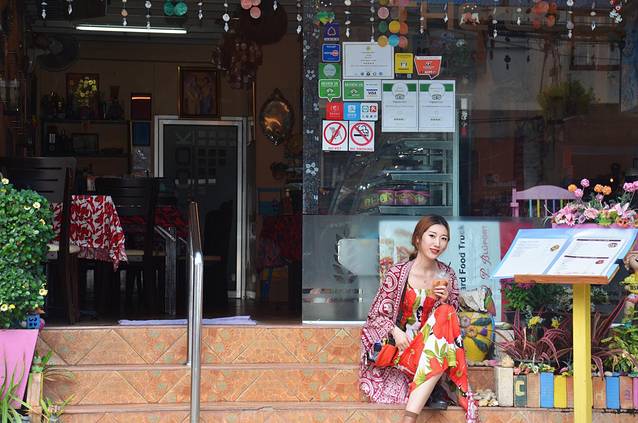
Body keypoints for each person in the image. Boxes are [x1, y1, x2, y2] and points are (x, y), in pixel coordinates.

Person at [359, 215, 479, 423]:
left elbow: (451, 326)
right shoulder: (398, 273)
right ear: (417, 239)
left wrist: (445, 300)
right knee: (441, 336)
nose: (437, 243)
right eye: (432, 236)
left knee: (446, 312)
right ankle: (432, 391)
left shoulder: (447, 275)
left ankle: (409, 419)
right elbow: (376, 315)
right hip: (403, 350)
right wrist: (396, 332)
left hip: (432, 350)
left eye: (443, 238)